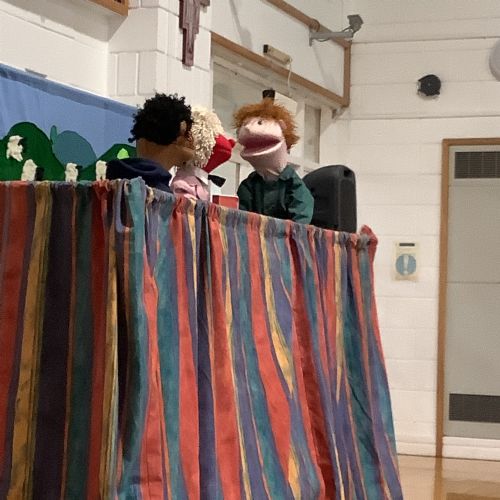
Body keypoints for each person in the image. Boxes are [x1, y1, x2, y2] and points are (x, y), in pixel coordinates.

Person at [106, 93, 194, 192]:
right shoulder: (160, 194)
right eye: (188, 133)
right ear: (179, 134)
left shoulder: (107, 186)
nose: (191, 140)